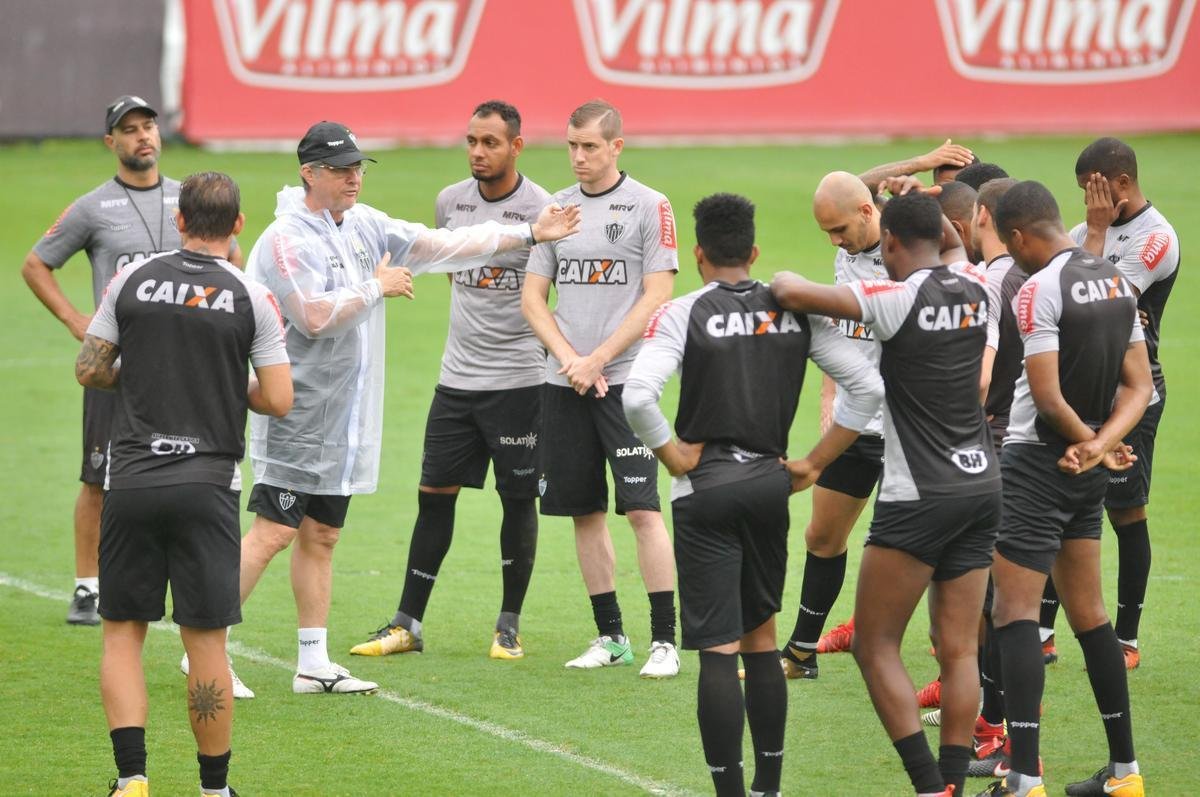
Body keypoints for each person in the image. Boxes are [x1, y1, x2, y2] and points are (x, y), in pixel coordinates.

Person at [222, 121, 579, 695]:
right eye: (340, 169)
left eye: (357, 167)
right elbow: (311, 316)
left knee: (322, 536)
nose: (353, 177)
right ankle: (205, 651)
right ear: (308, 173)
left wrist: (528, 233)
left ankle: (312, 663)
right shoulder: (286, 238)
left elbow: (441, 244)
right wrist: (376, 286)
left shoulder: (363, 223)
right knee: (271, 534)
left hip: (342, 421)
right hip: (296, 416)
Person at [623, 192, 883, 796]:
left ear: (699, 255)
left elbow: (637, 397)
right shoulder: (794, 309)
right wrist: (815, 462)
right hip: (769, 486)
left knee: (719, 651)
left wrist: (672, 454)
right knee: (762, 642)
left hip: (705, 491)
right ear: (755, 252)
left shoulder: (683, 312)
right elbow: (867, 389)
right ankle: (770, 787)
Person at [772, 192, 1000, 797]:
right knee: (959, 651)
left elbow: (792, 291)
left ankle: (928, 786)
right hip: (981, 483)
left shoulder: (894, 298)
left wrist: (775, 277)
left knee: (874, 645)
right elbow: (951, 242)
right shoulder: (978, 286)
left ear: (890, 242)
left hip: (919, 492)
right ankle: (953, 784)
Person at [76, 172, 291, 797]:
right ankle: (214, 789)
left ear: (179, 221)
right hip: (208, 487)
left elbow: (90, 369)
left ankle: (132, 779)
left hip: (133, 482)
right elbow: (278, 399)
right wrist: (223, 382)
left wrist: (145, 372)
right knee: (207, 644)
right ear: (238, 226)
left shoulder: (131, 279)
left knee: (123, 635)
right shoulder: (251, 295)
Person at [23, 95, 241, 627]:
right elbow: (35, 264)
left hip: (188, 367)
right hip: (118, 370)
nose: (143, 136)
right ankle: (87, 586)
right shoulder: (92, 207)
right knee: (98, 476)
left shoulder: (190, 199)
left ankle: (176, 575)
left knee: (192, 468)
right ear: (111, 142)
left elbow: (232, 258)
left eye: (148, 126)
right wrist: (75, 320)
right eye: (129, 130)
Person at [349, 101, 550, 661]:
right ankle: (406, 625)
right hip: (456, 379)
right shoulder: (449, 201)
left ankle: (508, 627)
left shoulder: (543, 210)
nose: (477, 152)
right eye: (471, 141)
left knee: (517, 500)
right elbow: (446, 264)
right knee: (433, 496)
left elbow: (549, 293)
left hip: (519, 381)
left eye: (490, 142)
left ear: (516, 146)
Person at [978, 180, 1151, 797]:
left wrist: (1089, 442)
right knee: (1090, 615)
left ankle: (1023, 778)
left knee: (1014, 613)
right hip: (1086, 471)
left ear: (1019, 236)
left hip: (1036, 465)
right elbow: (1140, 386)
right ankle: (1125, 774)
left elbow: (1047, 399)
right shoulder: (1116, 282)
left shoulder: (1037, 289)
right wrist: (1103, 445)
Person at [521, 99, 681, 678]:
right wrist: (570, 360)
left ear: (616, 146)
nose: (578, 156)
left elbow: (657, 293)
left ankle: (665, 641)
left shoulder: (649, 205)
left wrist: (600, 359)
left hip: (624, 382)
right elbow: (532, 298)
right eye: (571, 145)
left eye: (589, 146)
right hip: (565, 381)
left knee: (642, 510)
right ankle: (611, 636)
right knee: (583, 511)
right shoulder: (556, 209)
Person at [1043, 137, 1179, 672]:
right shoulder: (1083, 234)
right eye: (1083, 192)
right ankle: (1041, 631)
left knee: (1126, 513)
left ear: (1120, 182)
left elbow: (1096, 300)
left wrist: (1096, 235)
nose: (1088, 201)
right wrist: (1093, 235)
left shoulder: (1157, 237)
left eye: (1094, 189)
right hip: (1080, 390)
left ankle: (1127, 639)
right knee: (1059, 504)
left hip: (1132, 393)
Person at [775, 171, 889, 680]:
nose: (834, 241)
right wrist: (829, 392)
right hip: (855, 422)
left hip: (908, 426)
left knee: (899, 550)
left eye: (839, 230)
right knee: (822, 535)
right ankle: (801, 653)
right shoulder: (848, 250)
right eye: (827, 233)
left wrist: (923, 160)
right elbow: (838, 329)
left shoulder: (908, 250)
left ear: (868, 212)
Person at [857, 139, 977, 193]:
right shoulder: (917, 219)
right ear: (934, 188)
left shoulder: (985, 228)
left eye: (960, 189)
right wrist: (917, 164)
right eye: (946, 188)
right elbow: (851, 191)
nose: (955, 195)